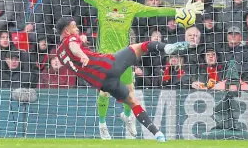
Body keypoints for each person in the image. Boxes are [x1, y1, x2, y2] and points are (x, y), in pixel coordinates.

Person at [51, 0, 204, 139]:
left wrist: (178, 11)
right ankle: (102, 124)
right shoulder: (102, 2)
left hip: (122, 56)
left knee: (130, 89)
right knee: (104, 94)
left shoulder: (130, 7)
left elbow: (154, 11)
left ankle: (127, 116)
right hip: (104, 57)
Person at [55, 17, 190, 142]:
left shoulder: (59, 53)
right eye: (74, 27)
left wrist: (81, 44)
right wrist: (82, 55)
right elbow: (74, 47)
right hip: (108, 65)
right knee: (139, 46)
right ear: (67, 31)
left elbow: (72, 52)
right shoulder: (71, 39)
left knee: (132, 101)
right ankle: (167, 47)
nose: (77, 29)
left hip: (102, 83)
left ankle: (158, 135)